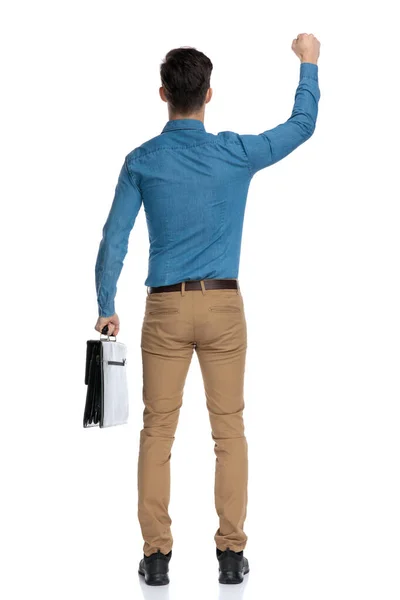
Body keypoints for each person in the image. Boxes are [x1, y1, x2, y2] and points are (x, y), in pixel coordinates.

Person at [94, 33, 321, 585]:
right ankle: (230, 554)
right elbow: (300, 128)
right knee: (229, 430)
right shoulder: (234, 152)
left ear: (162, 94)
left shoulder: (141, 160)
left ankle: (155, 558)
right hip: (223, 307)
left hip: (165, 312)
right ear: (210, 95)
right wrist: (309, 65)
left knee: (158, 431)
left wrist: (107, 305)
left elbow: (114, 239)